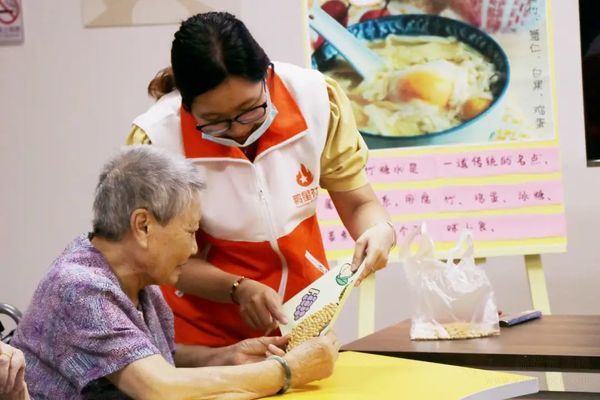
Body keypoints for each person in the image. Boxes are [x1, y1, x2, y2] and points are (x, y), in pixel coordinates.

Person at [128, 11, 396, 347]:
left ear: (267, 74)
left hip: (303, 316)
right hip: (203, 334)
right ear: (186, 103)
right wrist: (238, 289)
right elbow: (164, 262)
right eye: (215, 121)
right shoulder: (158, 141)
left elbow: (358, 202)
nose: (239, 129)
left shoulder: (314, 100)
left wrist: (378, 230)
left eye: (250, 109)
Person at [11, 146, 338, 399]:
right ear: (143, 226)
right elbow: (159, 388)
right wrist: (290, 369)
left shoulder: (131, 274)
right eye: (190, 231)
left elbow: (149, 357)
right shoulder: (80, 288)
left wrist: (225, 357)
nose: (194, 248)